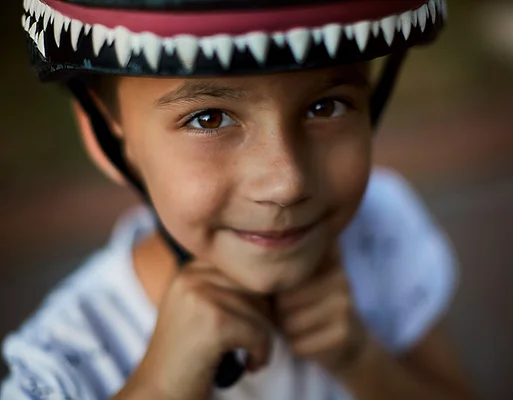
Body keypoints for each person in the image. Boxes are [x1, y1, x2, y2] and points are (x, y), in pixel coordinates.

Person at [2, 0, 473, 398]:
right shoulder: (64, 365)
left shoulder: (380, 233)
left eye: (325, 106)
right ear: (107, 133)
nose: (286, 184)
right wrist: (157, 388)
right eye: (208, 119)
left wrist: (361, 360)